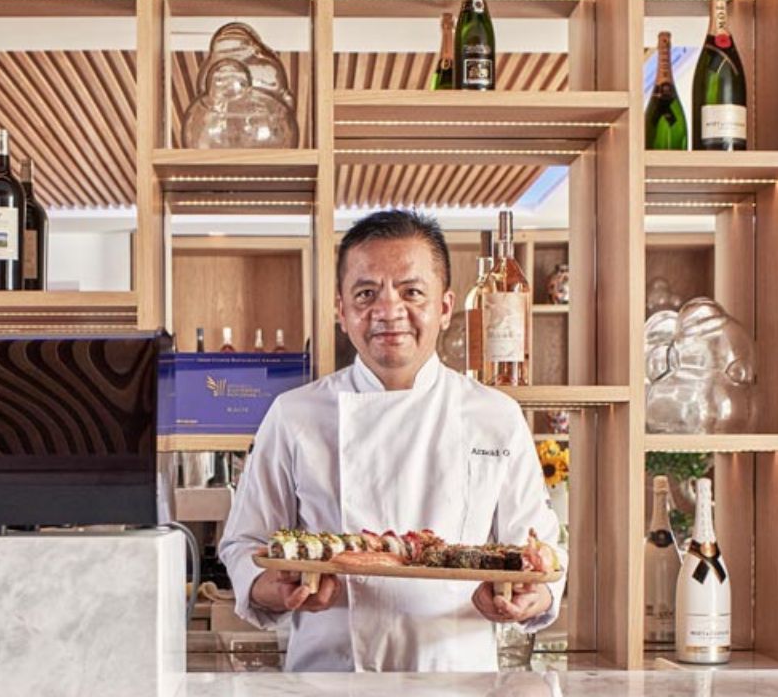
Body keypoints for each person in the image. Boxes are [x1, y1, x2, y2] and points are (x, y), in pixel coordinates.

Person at [218, 208, 565, 671]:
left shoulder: (495, 416)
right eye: (366, 294)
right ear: (342, 311)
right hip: (327, 687)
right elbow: (244, 544)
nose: (388, 311)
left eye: (411, 292)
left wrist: (531, 595)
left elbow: (541, 551)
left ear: (445, 308)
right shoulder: (294, 415)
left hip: (457, 690)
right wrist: (271, 588)